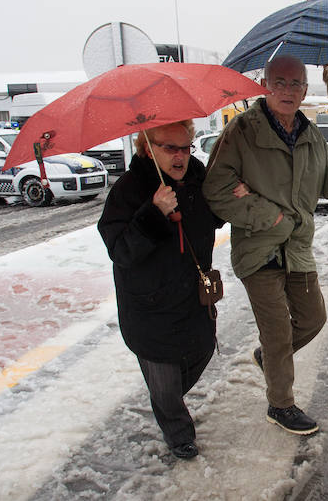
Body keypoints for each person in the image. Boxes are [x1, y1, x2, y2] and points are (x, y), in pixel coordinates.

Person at [202, 55, 328, 435]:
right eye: (279, 82)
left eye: (295, 84)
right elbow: (215, 189)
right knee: (278, 331)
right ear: (265, 85)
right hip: (258, 249)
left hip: (297, 248)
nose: (287, 90)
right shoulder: (242, 132)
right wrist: (270, 216)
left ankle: (270, 358)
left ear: (306, 91)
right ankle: (281, 405)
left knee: (313, 319)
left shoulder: (310, 135)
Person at [98, 120, 223, 459]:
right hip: (149, 306)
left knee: (202, 350)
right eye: (171, 148)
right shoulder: (128, 189)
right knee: (166, 383)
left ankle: (163, 394)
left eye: (186, 147)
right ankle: (178, 433)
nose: (181, 156)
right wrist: (154, 213)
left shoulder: (196, 175)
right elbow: (120, 251)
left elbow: (211, 214)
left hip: (192, 296)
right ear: (147, 147)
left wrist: (230, 199)